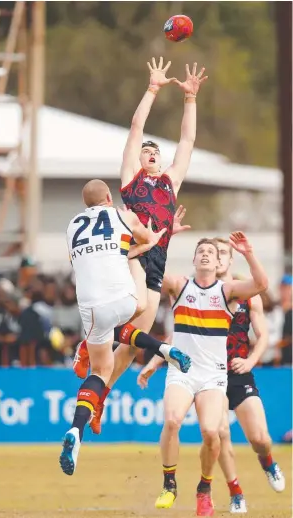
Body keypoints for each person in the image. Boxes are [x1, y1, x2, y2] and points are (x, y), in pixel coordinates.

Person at [73, 57, 207, 431]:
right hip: (132, 254)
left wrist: (190, 99)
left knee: (133, 343)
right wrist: (152, 89)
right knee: (134, 312)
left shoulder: (169, 182)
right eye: (146, 150)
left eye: (155, 151)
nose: (150, 153)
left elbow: (188, 140)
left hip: (158, 258)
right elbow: (135, 128)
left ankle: (100, 397)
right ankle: (87, 345)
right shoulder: (131, 181)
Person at [138, 237, 285, 515]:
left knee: (237, 436)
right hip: (184, 370)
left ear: (223, 261)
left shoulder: (232, 292)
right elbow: (153, 273)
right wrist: (159, 236)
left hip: (224, 373)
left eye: (214, 252)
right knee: (184, 424)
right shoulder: (181, 286)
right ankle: (183, 485)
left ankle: (221, 480)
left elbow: (262, 290)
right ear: (193, 259)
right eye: (201, 251)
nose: (207, 255)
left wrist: (250, 253)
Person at [59, 179, 191, 476]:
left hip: (91, 306)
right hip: (124, 299)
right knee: (140, 307)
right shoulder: (123, 214)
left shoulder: (70, 226)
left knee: (98, 372)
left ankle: (75, 433)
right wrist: (162, 233)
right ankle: (163, 348)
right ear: (109, 197)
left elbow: (77, 259)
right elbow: (148, 239)